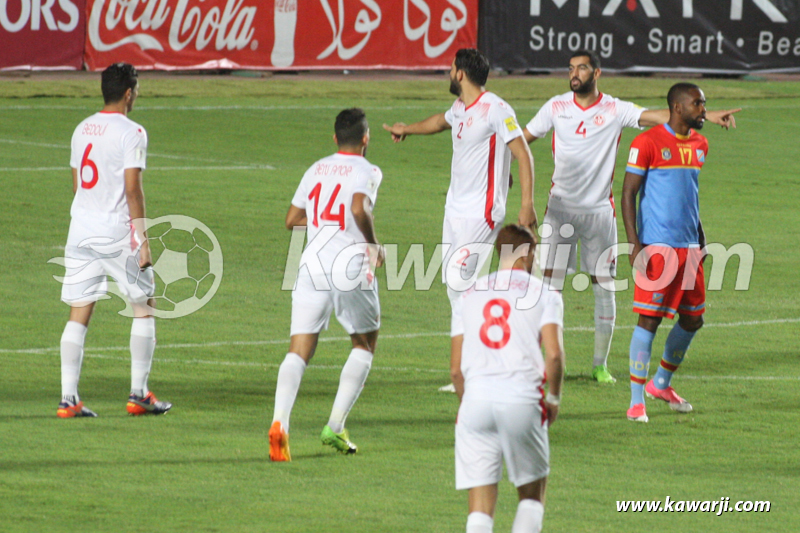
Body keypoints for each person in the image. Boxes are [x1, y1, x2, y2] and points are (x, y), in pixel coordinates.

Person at [523, 50, 740, 383]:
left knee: (604, 289)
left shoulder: (614, 108)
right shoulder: (555, 107)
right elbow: (521, 141)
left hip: (599, 213)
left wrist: (706, 117)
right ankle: (542, 362)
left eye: (582, 68)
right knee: (549, 289)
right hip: (559, 211)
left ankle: (600, 366)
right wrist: (505, 172)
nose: (574, 73)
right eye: (571, 68)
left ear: (597, 73)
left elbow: (662, 117)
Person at [383, 48, 536, 392]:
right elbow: (440, 121)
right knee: (456, 288)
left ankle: (473, 367)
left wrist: (526, 204)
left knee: (459, 283)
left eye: (451, 69)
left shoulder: (496, 108)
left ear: (461, 74)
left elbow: (522, 154)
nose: (448, 73)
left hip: (482, 214)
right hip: (455, 209)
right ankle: (478, 362)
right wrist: (406, 129)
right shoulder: (460, 109)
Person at [269, 108, 384, 461]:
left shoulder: (316, 168)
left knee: (299, 348)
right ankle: (335, 426)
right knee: (365, 343)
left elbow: (291, 219)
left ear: (335, 138)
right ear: (365, 139)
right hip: (347, 264)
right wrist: (374, 244)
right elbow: (358, 208)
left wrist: (321, 220)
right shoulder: (369, 170)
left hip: (310, 266)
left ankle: (280, 424)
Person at [58, 63, 171, 418]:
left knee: (80, 311)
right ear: (127, 93)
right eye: (137, 90)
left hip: (80, 229)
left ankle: (68, 398)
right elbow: (133, 189)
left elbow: (77, 184)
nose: (137, 96)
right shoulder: (132, 132)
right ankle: (139, 393)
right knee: (144, 305)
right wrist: (142, 237)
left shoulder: (81, 129)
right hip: (117, 232)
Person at [450, 224, 565, 533]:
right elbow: (553, 356)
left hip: (476, 402)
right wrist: (553, 399)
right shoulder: (545, 294)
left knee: (479, 508)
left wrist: (473, 400)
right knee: (531, 498)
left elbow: (455, 370)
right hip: (522, 401)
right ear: (525, 255)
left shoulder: (469, 294)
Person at [621, 82, 716, 423]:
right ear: (678, 107)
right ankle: (636, 402)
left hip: (690, 247)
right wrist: (635, 245)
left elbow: (689, 196)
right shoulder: (646, 142)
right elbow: (628, 194)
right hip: (658, 248)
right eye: (698, 105)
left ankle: (660, 383)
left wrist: (701, 240)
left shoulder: (700, 145)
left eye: (703, 105)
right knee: (649, 320)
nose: (703, 111)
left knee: (693, 319)